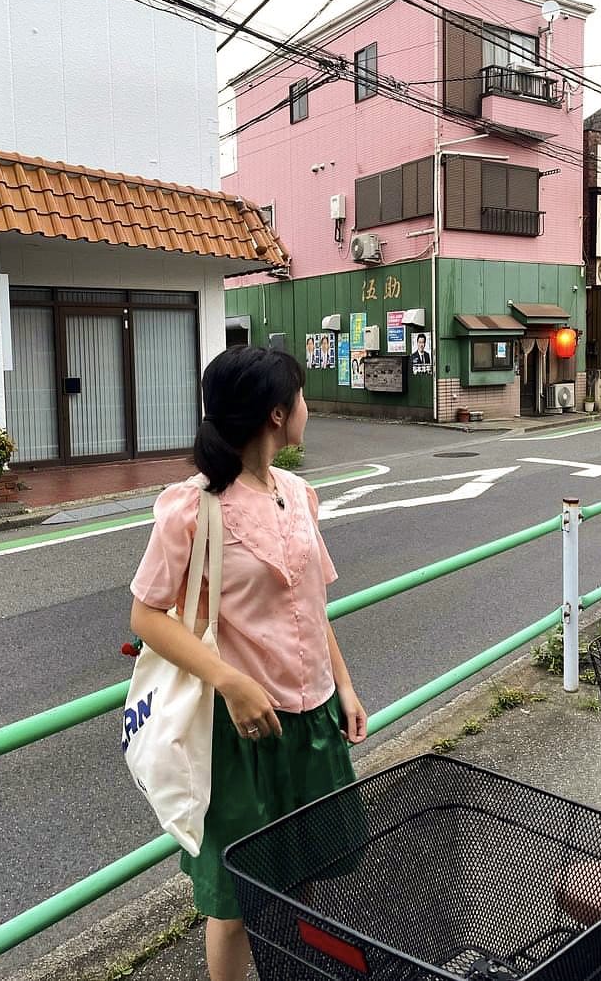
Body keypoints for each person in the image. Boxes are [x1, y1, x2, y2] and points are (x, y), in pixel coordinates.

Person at [129, 346, 367, 981]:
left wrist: (343, 685)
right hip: (241, 733)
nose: (308, 409)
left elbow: (313, 605)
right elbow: (146, 616)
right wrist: (229, 681)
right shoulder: (192, 507)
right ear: (277, 414)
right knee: (234, 904)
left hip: (313, 717)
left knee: (308, 874)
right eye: (303, 398)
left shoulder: (299, 493)